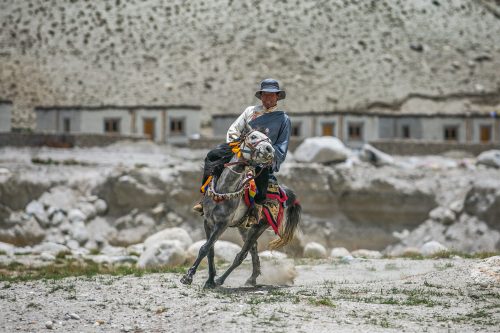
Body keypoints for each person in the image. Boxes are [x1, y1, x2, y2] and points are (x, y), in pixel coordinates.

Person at [193, 78, 291, 224]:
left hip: (262, 155)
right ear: (261, 95)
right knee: (212, 156)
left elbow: (281, 145)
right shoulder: (250, 111)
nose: (268, 98)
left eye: (271, 95)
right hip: (242, 149)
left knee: (261, 173)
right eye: (265, 94)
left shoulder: (283, 119)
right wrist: (236, 146)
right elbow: (235, 129)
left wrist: (268, 154)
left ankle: (256, 208)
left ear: (277, 96)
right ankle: (204, 197)